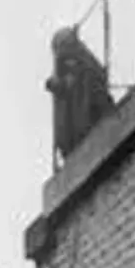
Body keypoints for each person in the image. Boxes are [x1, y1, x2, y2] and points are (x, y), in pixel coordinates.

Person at [44, 26, 115, 168]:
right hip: (73, 134)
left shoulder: (86, 65)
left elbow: (88, 81)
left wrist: (60, 83)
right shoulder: (64, 67)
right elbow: (62, 85)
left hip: (89, 123)